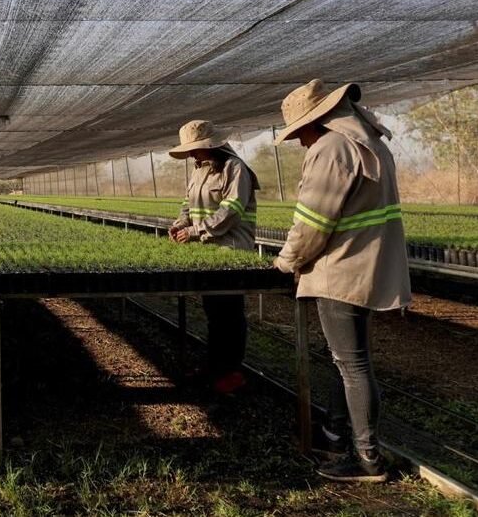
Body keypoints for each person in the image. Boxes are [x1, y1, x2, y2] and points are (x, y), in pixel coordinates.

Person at [272, 80, 411, 483]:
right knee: (348, 361)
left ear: (318, 120)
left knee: (352, 364)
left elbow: (313, 223)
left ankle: (366, 459)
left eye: (301, 133)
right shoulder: (368, 142)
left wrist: (287, 262)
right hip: (366, 266)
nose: (300, 143)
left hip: (341, 269)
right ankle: (337, 435)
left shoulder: (331, 148)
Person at [168, 120, 258, 395]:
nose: (192, 154)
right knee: (214, 311)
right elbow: (188, 204)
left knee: (229, 312)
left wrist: (195, 231)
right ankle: (215, 366)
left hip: (231, 251)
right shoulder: (199, 171)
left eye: (196, 149)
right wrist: (180, 224)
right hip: (208, 251)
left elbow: (230, 212)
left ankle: (231, 372)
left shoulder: (235, 169)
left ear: (212, 145)